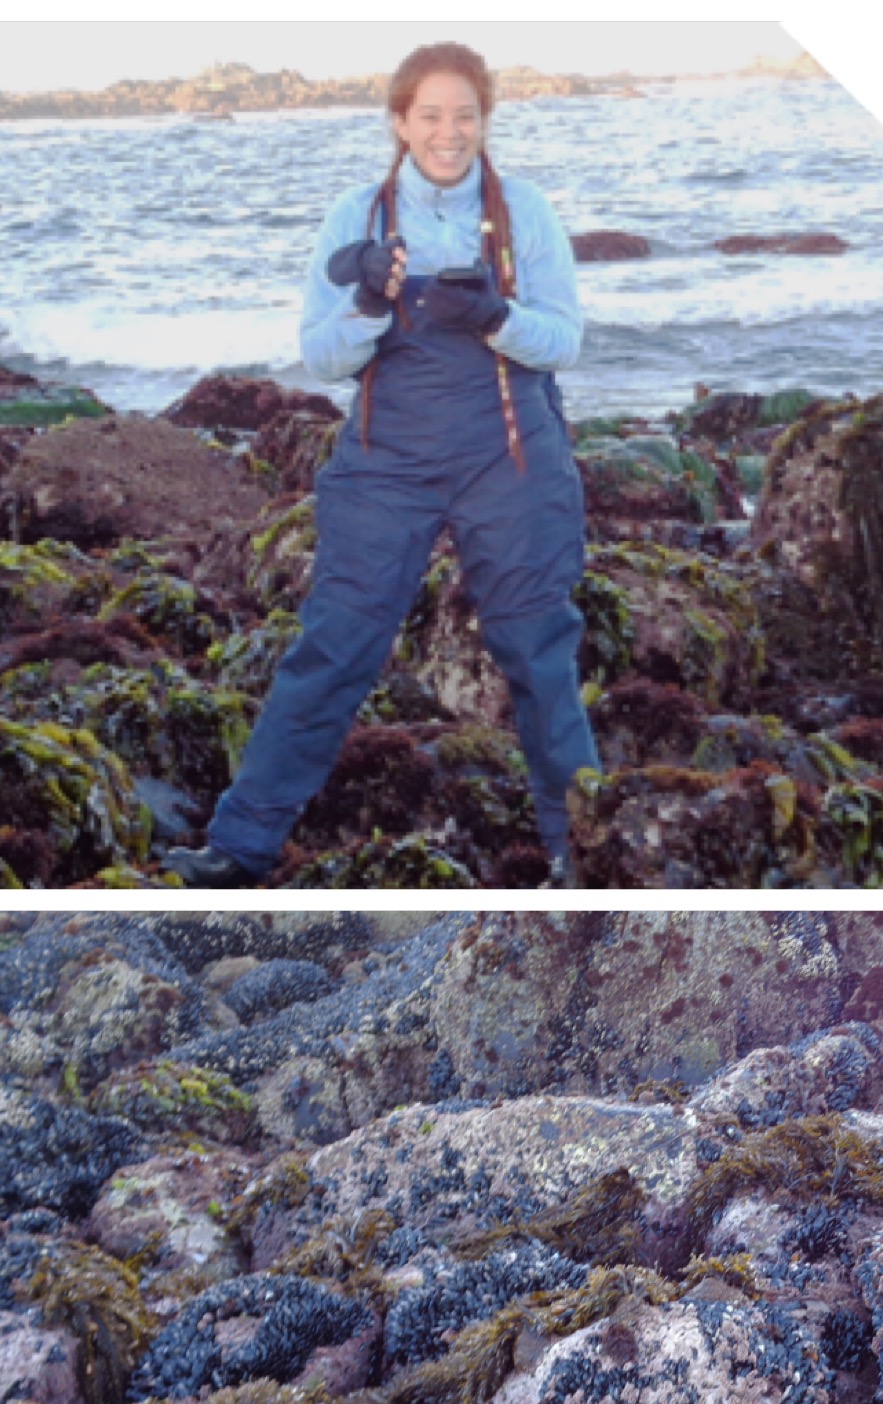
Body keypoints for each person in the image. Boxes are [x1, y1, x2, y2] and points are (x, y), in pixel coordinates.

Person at [165, 41, 599, 888]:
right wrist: (366, 301)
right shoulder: (354, 218)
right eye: (430, 114)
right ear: (400, 121)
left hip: (509, 453)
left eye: (465, 115)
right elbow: (323, 360)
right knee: (335, 644)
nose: (449, 131)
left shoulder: (527, 215)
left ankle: (581, 855)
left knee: (539, 650)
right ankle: (241, 844)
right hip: (384, 460)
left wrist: (497, 315)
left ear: (484, 121)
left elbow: (566, 340)